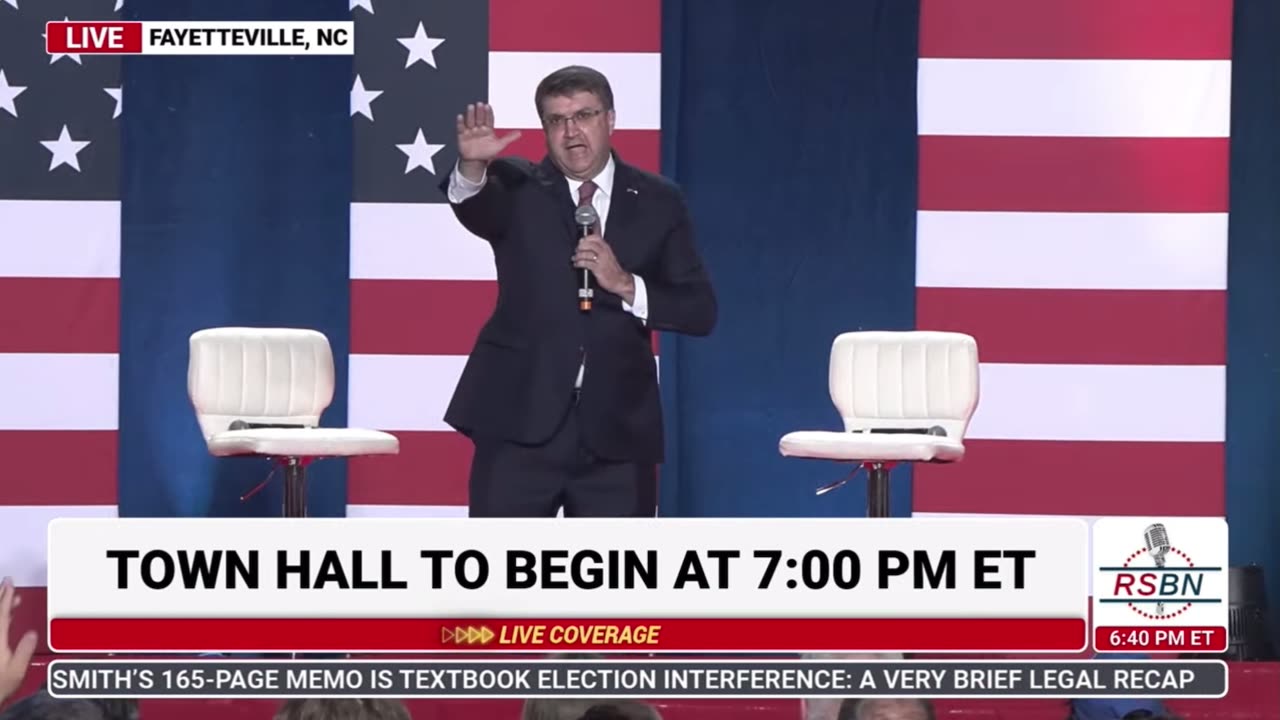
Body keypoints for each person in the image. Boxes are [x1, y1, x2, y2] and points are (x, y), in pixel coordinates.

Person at [440, 65, 717, 518]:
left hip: (617, 435)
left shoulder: (659, 200)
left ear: (610, 120)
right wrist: (472, 166)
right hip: (519, 425)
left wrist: (625, 284)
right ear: (545, 129)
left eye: (584, 115)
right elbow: (475, 206)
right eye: (556, 120)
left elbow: (699, 310)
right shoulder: (516, 185)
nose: (571, 132)